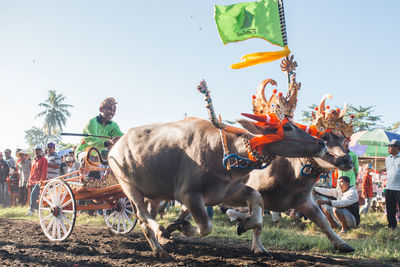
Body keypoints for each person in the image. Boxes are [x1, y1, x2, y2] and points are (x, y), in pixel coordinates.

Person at [74, 97, 123, 166]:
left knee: (118, 157)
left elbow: (122, 136)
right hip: (84, 151)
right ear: (101, 109)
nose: (112, 112)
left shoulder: (113, 125)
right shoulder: (92, 122)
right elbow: (92, 142)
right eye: (109, 109)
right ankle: (83, 174)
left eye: (114, 110)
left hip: (99, 154)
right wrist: (107, 143)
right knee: (85, 160)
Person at [27, 145, 48, 216]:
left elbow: (44, 171)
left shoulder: (44, 160)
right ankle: (37, 211)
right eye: (36, 150)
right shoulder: (33, 160)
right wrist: (29, 180)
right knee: (36, 196)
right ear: (34, 151)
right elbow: (32, 171)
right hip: (33, 180)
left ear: (41, 151)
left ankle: (31, 210)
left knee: (33, 194)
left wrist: (42, 181)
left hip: (39, 181)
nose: (37, 151)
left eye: (39, 150)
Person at [384, 139, 400, 230]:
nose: (388, 148)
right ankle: (391, 226)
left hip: (399, 188)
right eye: (388, 146)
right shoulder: (387, 159)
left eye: (391, 146)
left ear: (397, 148)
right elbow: (389, 172)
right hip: (389, 187)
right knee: (390, 209)